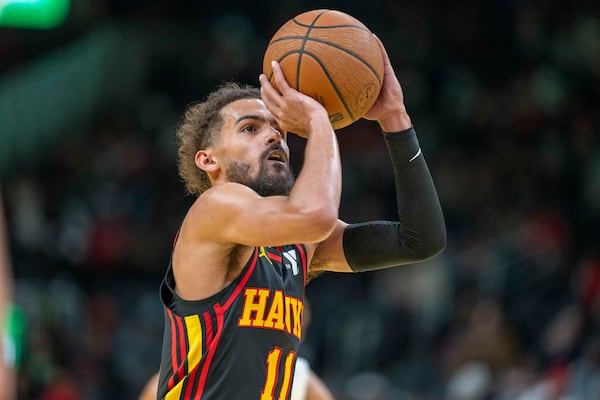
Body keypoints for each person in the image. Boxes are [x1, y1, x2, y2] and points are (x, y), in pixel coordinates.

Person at [157, 35, 446, 399]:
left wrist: (394, 118)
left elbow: (421, 240)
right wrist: (317, 118)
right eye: (250, 128)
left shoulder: (296, 245)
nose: (274, 137)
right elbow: (317, 215)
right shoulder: (214, 209)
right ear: (208, 159)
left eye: (279, 129)